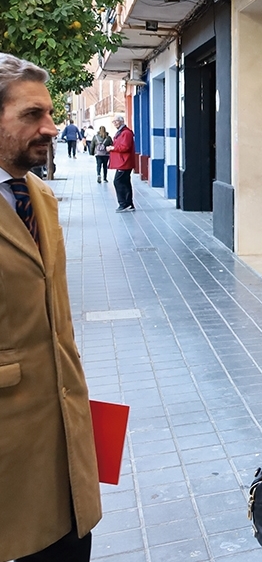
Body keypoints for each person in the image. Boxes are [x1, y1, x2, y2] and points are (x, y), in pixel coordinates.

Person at [0, 53, 102, 562]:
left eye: (50, 112)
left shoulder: (39, 195)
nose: (51, 126)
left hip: (64, 445)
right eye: (31, 115)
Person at [109, 115, 135, 212]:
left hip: (125, 162)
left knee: (118, 181)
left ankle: (124, 203)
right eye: (113, 122)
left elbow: (125, 147)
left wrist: (113, 148)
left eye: (116, 121)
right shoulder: (121, 132)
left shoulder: (126, 133)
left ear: (121, 121)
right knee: (125, 182)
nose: (114, 123)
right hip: (123, 161)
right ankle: (129, 204)